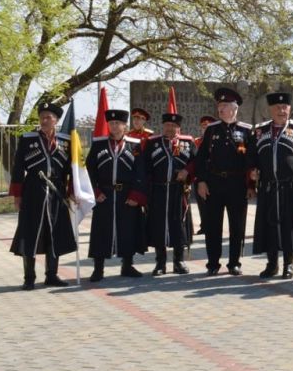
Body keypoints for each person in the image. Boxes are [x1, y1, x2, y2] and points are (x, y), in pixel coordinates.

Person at [8, 102, 76, 289]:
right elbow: (17, 169)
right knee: (30, 233)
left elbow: (72, 169)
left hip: (56, 192)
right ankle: (29, 277)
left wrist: (73, 192)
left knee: (54, 233)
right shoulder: (27, 139)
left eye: (49, 118)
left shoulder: (65, 141)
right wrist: (17, 195)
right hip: (33, 191)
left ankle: (51, 275)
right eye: (42, 117)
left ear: (56, 121)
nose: (45, 120)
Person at [195, 87, 258, 276]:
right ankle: (213, 263)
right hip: (214, 182)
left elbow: (252, 161)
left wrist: (251, 185)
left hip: (237, 184)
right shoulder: (211, 130)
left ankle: (234, 263)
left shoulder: (247, 131)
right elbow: (201, 158)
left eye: (224, 106)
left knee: (237, 226)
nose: (220, 110)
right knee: (213, 225)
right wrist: (201, 181)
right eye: (219, 106)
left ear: (234, 108)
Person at [253, 92, 293, 279]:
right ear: (270, 110)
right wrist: (251, 171)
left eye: (285, 107)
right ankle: (272, 264)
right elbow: (251, 158)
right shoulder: (260, 131)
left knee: (289, 227)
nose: (281, 110)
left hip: (290, 189)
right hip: (268, 188)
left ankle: (288, 265)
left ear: (289, 109)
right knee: (269, 227)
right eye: (277, 108)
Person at [85, 109, 148, 281]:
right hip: (104, 195)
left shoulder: (134, 145)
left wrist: (136, 195)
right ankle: (98, 269)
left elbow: (140, 172)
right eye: (111, 123)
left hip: (126, 195)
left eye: (118, 123)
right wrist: (95, 191)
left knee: (127, 231)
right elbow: (89, 170)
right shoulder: (99, 144)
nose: (114, 126)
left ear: (124, 125)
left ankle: (127, 266)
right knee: (101, 231)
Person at [143, 112, 195, 276]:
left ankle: (179, 261)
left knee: (178, 225)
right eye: (167, 125)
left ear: (178, 127)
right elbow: (144, 166)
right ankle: (160, 263)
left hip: (178, 191)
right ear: (162, 126)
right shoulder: (152, 143)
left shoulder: (187, 143)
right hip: (158, 190)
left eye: (173, 126)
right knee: (158, 225)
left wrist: (187, 171)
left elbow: (196, 161)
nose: (170, 128)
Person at [192, 115, 215, 236]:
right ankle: (204, 225)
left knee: (213, 204)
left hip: (213, 177)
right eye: (203, 126)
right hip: (199, 177)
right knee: (201, 204)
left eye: (207, 126)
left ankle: (213, 226)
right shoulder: (196, 141)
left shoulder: (216, 140)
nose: (205, 128)